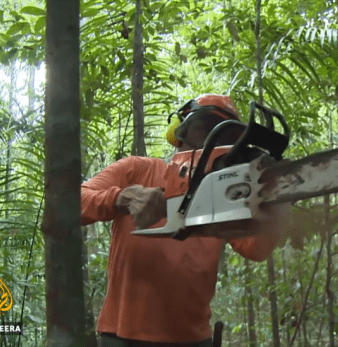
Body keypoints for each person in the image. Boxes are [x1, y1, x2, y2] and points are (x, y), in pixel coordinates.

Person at [81, 94, 290, 347]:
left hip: (192, 338)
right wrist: (122, 198)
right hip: (123, 335)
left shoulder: (224, 194)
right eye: (202, 132)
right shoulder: (137, 170)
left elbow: (256, 249)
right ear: (179, 133)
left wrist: (275, 210)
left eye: (223, 139)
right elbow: (72, 203)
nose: (208, 144)